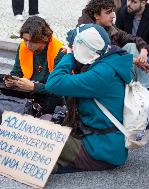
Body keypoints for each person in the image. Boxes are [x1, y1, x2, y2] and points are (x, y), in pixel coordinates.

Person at [46, 24, 132, 173]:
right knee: (44, 123)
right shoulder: (109, 61)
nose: (69, 46)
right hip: (105, 142)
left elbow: (53, 83)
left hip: (100, 149)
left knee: (41, 137)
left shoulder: (101, 75)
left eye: (72, 44)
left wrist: (70, 55)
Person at [0, 16, 65, 115]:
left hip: (45, 91)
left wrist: (34, 87)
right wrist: (11, 81)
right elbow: (16, 72)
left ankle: (23, 108)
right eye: (25, 40)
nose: (28, 45)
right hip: (25, 87)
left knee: (53, 100)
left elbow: (60, 87)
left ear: (44, 38)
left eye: (33, 41)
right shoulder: (23, 46)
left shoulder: (59, 51)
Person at [78, 0, 149, 89]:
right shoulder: (87, 31)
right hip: (93, 73)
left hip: (113, 65)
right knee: (120, 59)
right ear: (96, 15)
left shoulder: (108, 26)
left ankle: (146, 88)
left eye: (112, 11)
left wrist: (143, 50)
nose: (113, 15)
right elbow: (106, 53)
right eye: (108, 12)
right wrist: (132, 59)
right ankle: (134, 90)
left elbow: (130, 37)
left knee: (132, 46)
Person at [116, 0, 149, 77]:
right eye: (128, 0)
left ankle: (130, 73)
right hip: (127, 51)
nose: (128, 4)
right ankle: (136, 75)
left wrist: (144, 52)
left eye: (134, 2)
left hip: (147, 52)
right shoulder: (122, 12)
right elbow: (117, 37)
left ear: (143, 3)